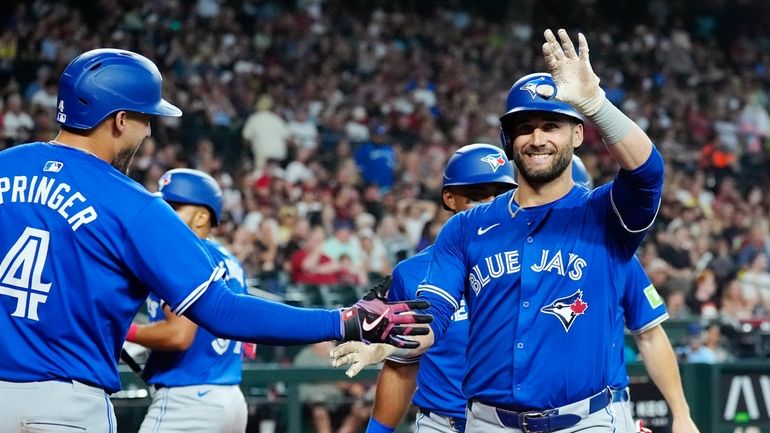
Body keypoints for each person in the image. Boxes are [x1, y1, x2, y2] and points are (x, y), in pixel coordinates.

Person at [0, 48, 430, 432]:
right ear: (119, 120)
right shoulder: (135, 204)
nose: (149, 133)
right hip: (66, 409)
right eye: (147, 119)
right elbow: (223, 309)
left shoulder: (6, 166)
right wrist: (344, 320)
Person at [412, 29, 675, 433]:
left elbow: (647, 171)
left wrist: (595, 104)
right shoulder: (465, 226)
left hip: (585, 421)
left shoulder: (605, 214)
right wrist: (391, 339)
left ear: (576, 134)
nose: (537, 139)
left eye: (551, 125)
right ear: (507, 140)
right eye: (524, 128)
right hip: (487, 422)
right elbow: (435, 315)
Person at [333, 143, 518, 433]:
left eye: (501, 195)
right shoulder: (412, 273)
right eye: (476, 196)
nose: (491, 205)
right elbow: (401, 366)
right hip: (442, 423)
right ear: (449, 198)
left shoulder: (538, 263)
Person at [127, 168, 249, 433]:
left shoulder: (179, 255)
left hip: (189, 401)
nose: (164, 212)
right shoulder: (229, 260)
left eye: (175, 206)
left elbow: (178, 335)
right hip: (231, 400)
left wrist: (126, 331)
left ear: (202, 216)